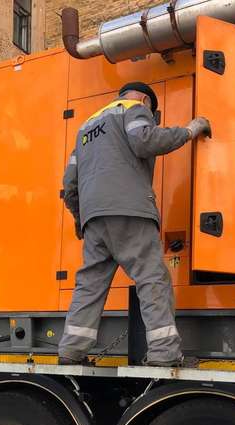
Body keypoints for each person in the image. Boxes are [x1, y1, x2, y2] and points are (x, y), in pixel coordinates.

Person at [58, 81, 211, 367]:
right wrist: (190, 130)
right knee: (152, 278)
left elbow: (69, 184)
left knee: (90, 285)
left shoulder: (85, 127)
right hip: (129, 209)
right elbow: (145, 140)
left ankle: (71, 351)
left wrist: (81, 219)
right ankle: (164, 354)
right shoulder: (133, 108)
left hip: (94, 218)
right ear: (144, 100)